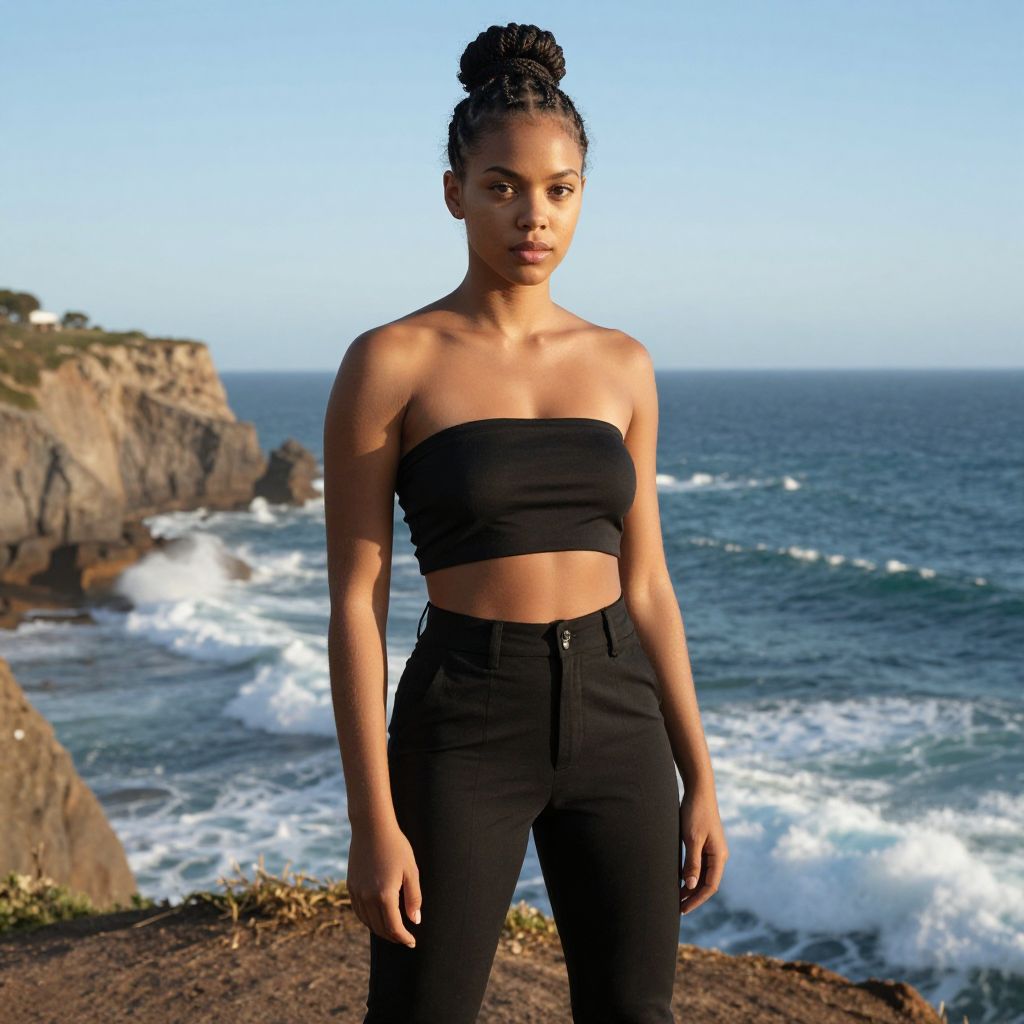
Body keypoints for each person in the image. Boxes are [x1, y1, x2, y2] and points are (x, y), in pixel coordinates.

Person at [323, 21, 728, 1024]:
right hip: (465, 714)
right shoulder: (392, 361)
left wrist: (699, 775)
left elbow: (648, 586)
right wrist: (370, 818)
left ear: (582, 192)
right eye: (502, 186)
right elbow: (355, 598)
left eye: (559, 188)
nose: (532, 215)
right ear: (455, 191)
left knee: (636, 1014)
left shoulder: (622, 364)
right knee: (423, 1013)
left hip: (617, 707)